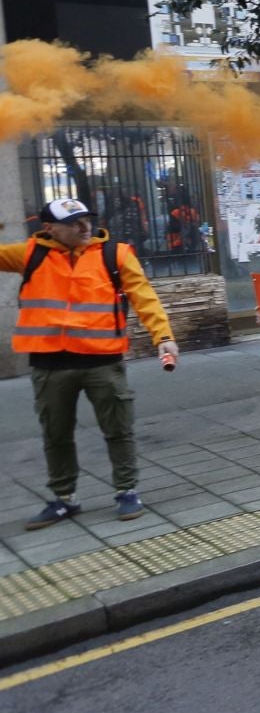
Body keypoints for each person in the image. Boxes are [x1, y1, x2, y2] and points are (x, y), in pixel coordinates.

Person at [10, 199, 178, 529]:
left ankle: (127, 491)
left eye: (86, 220)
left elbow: (144, 297)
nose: (84, 227)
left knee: (118, 430)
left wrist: (164, 337)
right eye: (74, 223)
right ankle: (64, 498)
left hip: (103, 362)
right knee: (56, 435)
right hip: (50, 365)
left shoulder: (115, 254)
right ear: (50, 229)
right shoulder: (31, 253)